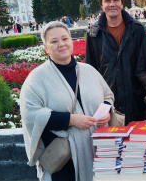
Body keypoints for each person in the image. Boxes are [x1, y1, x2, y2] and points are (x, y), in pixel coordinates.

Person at [20, 21, 114, 181]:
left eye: (65, 39)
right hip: (64, 159)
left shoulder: (88, 71)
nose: (61, 44)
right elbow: (31, 115)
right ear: (45, 48)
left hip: (97, 149)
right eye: (54, 41)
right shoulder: (36, 79)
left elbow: (108, 96)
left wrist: (106, 112)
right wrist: (70, 120)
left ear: (72, 41)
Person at [85, 0, 146, 126]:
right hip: (108, 103)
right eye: (107, 1)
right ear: (102, 5)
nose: (112, 4)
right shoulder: (94, 34)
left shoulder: (137, 30)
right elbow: (90, 71)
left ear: (121, 3)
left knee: (137, 144)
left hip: (136, 100)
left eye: (115, 0)